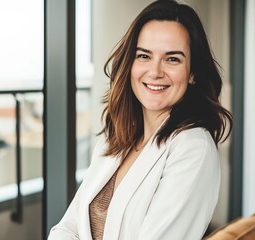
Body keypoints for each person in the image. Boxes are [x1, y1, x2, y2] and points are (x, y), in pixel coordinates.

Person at [48, 0, 232, 239]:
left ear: (193, 72)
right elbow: (68, 227)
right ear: (130, 63)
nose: (155, 71)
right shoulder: (115, 139)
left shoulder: (193, 148)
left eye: (172, 59)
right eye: (144, 56)